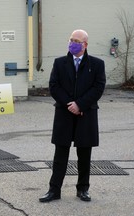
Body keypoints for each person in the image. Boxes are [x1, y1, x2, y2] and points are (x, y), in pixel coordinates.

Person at [39, 29, 106, 202]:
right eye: (71, 39)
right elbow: (54, 86)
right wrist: (71, 104)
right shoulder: (60, 63)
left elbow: (98, 87)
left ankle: (83, 189)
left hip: (86, 114)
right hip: (65, 113)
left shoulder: (97, 64)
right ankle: (54, 190)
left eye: (77, 40)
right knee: (60, 154)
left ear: (85, 44)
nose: (73, 43)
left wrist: (80, 104)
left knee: (84, 154)